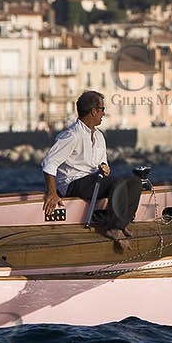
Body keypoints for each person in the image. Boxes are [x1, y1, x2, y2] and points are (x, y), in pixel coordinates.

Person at [42, 90, 141, 249]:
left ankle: (121, 223)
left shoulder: (100, 136)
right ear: (94, 111)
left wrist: (104, 167)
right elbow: (49, 163)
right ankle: (114, 228)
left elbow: (103, 163)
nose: (104, 114)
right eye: (102, 110)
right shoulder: (71, 135)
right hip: (73, 183)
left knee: (135, 183)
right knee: (118, 182)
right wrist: (52, 193)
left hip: (93, 181)